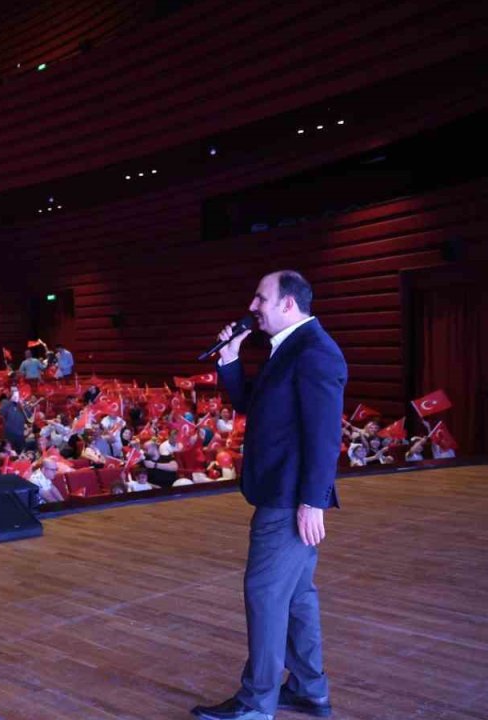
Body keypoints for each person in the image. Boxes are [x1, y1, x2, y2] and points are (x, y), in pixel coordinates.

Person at [193, 271, 344, 720]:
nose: (253, 305)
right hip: (282, 493)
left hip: (288, 500)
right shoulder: (288, 349)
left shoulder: (316, 352)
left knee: (264, 595)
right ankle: (309, 688)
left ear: (288, 304)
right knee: (297, 598)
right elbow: (253, 404)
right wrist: (231, 358)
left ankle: (256, 702)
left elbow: (323, 435)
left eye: (261, 297)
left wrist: (313, 501)